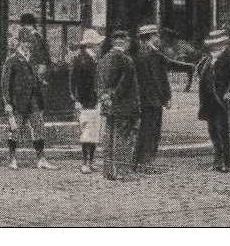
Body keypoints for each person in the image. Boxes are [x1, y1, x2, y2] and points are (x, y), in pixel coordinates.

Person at [1, 39, 58, 170]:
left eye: (30, 43)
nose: (28, 45)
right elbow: (5, 84)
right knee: (14, 130)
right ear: (20, 44)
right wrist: (7, 103)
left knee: (38, 128)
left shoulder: (31, 60)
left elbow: (33, 79)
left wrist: (40, 82)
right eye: (26, 43)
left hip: (33, 100)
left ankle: (41, 159)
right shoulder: (12, 60)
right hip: (17, 101)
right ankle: (12, 159)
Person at [196, 29, 230, 172]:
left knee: (225, 130)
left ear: (223, 44)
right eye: (212, 45)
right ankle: (218, 160)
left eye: (217, 45)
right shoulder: (207, 59)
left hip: (224, 100)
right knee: (213, 131)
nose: (214, 48)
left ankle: (229, 162)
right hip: (210, 101)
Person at [98, 30, 140, 181]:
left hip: (108, 106)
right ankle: (123, 171)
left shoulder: (104, 58)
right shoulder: (126, 60)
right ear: (123, 42)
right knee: (123, 138)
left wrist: (105, 98)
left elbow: (100, 83)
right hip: (124, 106)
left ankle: (108, 171)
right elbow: (124, 84)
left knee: (109, 138)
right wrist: (114, 97)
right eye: (127, 40)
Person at [133, 24, 171, 168]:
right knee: (152, 131)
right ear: (152, 37)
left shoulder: (139, 54)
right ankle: (147, 162)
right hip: (153, 100)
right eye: (156, 36)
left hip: (142, 100)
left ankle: (139, 160)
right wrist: (166, 97)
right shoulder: (154, 55)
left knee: (143, 130)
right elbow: (158, 79)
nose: (158, 39)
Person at [70, 28, 104, 174]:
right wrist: (76, 99)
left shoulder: (93, 58)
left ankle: (91, 160)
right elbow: (74, 81)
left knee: (94, 132)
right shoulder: (81, 59)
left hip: (94, 99)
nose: (98, 45)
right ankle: (85, 162)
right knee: (87, 132)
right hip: (86, 100)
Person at [17, 13, 50, 83]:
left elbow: (39, 55)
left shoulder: (34, 36)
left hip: (36, 69)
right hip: (37, 68)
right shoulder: (37, 36)